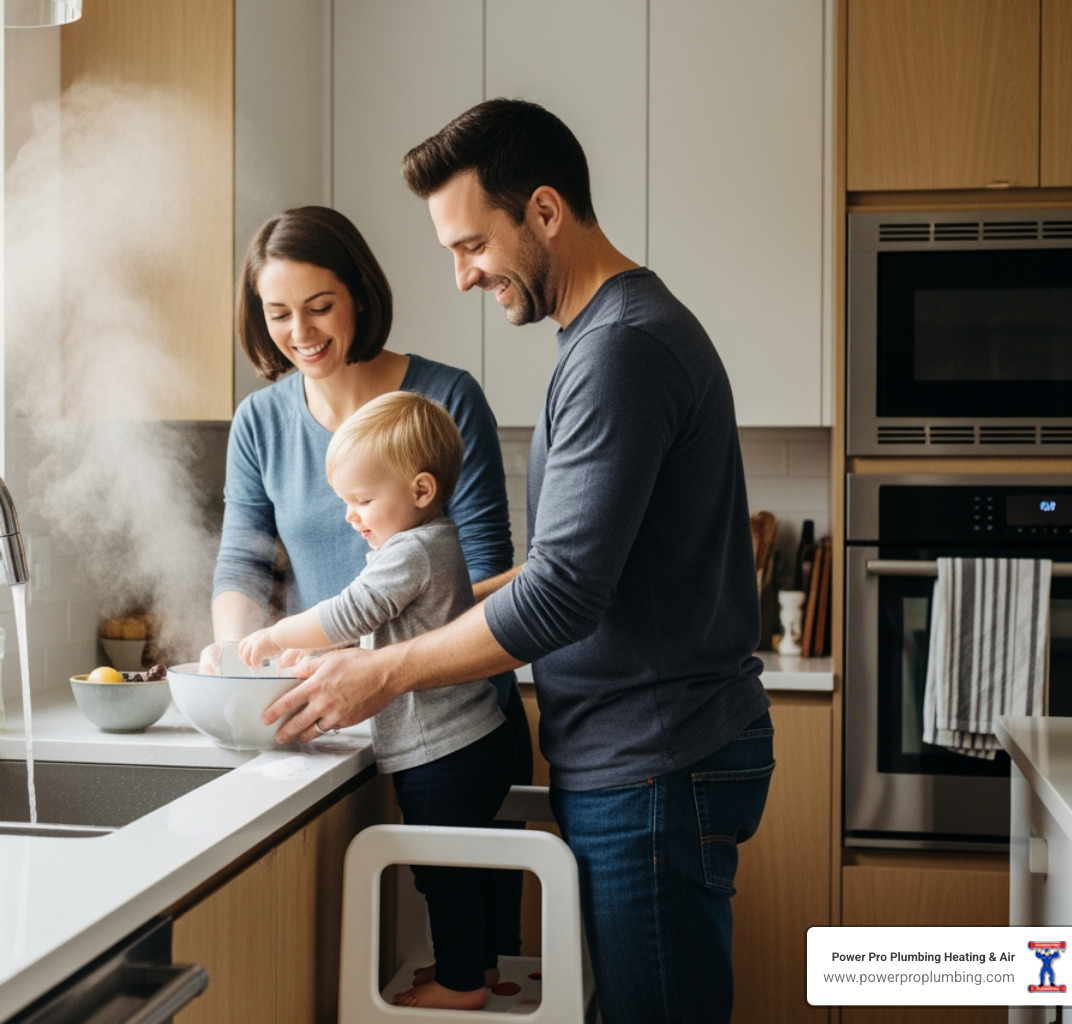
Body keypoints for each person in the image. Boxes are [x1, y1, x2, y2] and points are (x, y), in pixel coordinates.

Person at [261, 100, 774, 1024]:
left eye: (471, 246)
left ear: (543, 212)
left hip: (657, 759)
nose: (461, 278)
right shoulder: (603, 336)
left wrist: (380, 672)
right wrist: (427, 614)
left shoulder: (620, 347)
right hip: (648, 756)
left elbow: (563, 596)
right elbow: (565, 570)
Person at [209, 204, 535, 961]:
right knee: (372, 961)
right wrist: (238, 662)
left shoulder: (445, 399)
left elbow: (486, 576)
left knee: (472, 950)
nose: (302, 332)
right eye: (278, 312)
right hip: (333, 727)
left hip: (451, 723)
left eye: (320, 306)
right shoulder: (259, 421)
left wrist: (381, 657)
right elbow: (242, 566)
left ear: (359, 293)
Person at [239, 390, 513, 1010]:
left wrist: (276, 633)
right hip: (476, 738)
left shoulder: (411, 550)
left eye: (362, 501)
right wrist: (314, 661)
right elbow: (384, 633)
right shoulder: (432, 541)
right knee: (469, 863)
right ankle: (481, 968)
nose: (350, 517)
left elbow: (351, 612)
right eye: (346, 502)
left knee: (439, 869)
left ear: (420, 490)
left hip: (443, 750)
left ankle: (462, 983)